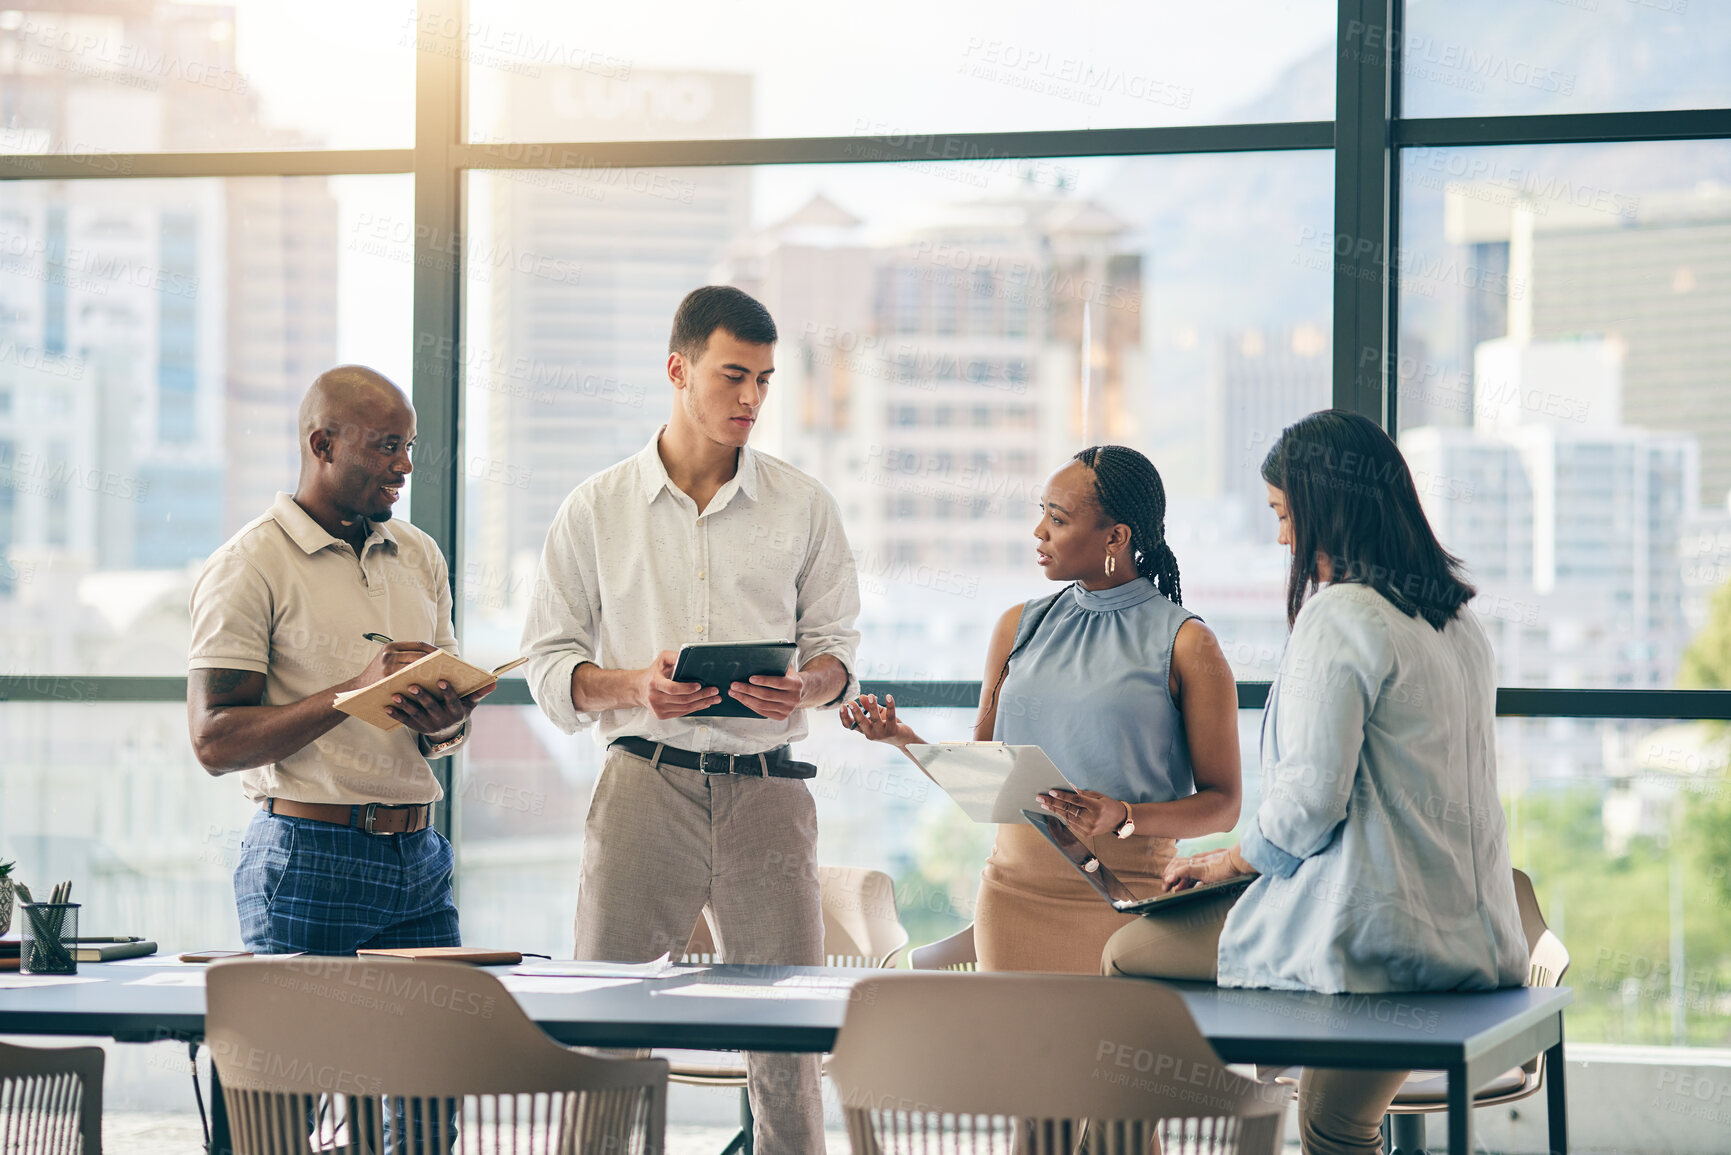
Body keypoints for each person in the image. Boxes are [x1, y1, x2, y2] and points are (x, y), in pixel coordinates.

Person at [1102, 410, 1529, 1155]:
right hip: (1472, 939)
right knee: (1335, 1126)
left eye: (1282, 514)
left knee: (1126, 955)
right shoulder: (1459, 624)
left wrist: (1224, 860)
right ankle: (1260, 1095)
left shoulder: (1341, 615)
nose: (1281, 539)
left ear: (1327, 508)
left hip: (1379, 942)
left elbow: (1305, 806)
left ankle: (1178, 1129)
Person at [520, 285, 860, 1155]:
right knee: (605, 1034)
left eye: (765, 380)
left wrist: (808, 687)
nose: (750, 398)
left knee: (787, 1050)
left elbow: (836, 651)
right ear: (678, 370)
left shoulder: (805, 504)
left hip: (766, 796)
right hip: (644, 787)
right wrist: (637, 683)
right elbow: (550, 667)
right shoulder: (595, 508)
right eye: (732, 375)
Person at [843, 446, 1241, 973]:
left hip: (1129, 904)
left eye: (1057, 519)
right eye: (1041, 513)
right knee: (1018, 1054)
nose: (1039, 532)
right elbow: (983, 774)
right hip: (1012, 898)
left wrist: (1124, 817)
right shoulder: (1017, 626)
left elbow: (1225, 804)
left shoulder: (1188, 643)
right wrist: (901, 737)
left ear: (1116, 538)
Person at [187, 366, 492, 956]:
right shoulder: (248, 564)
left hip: (422, 857)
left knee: (436, 1050)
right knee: (308, 1047)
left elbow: (445, 734)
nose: (404, 464)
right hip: (309, 855)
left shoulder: (419, 553)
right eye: (386, 446)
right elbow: (213, 742)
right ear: (322, 445)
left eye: (408, 446)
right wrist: (354, 690)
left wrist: (447, 722)